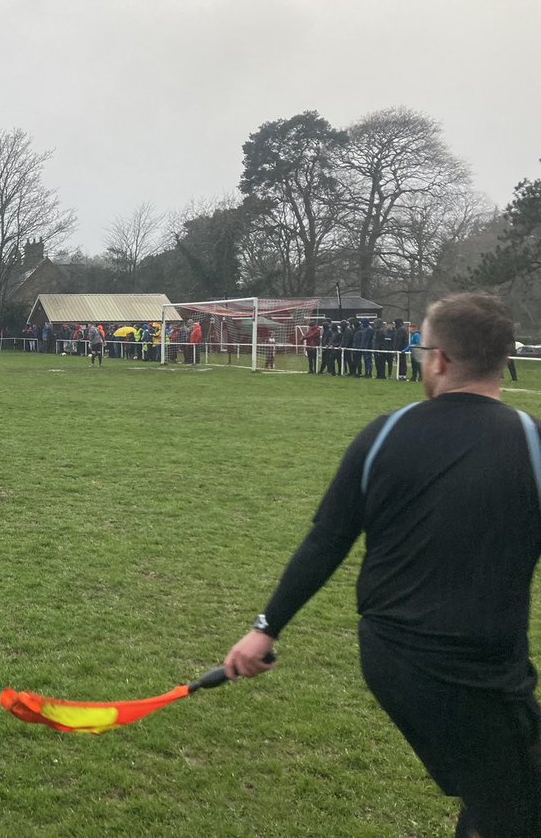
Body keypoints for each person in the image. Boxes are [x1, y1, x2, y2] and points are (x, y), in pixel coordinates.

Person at [225, 292, 541, 837]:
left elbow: (326, 542)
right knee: (516, 802)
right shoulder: (533, 444)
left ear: (438, 358)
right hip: (471, 672)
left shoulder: (383, 433)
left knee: (499, 792)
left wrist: (265, 628)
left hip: (392, 661)